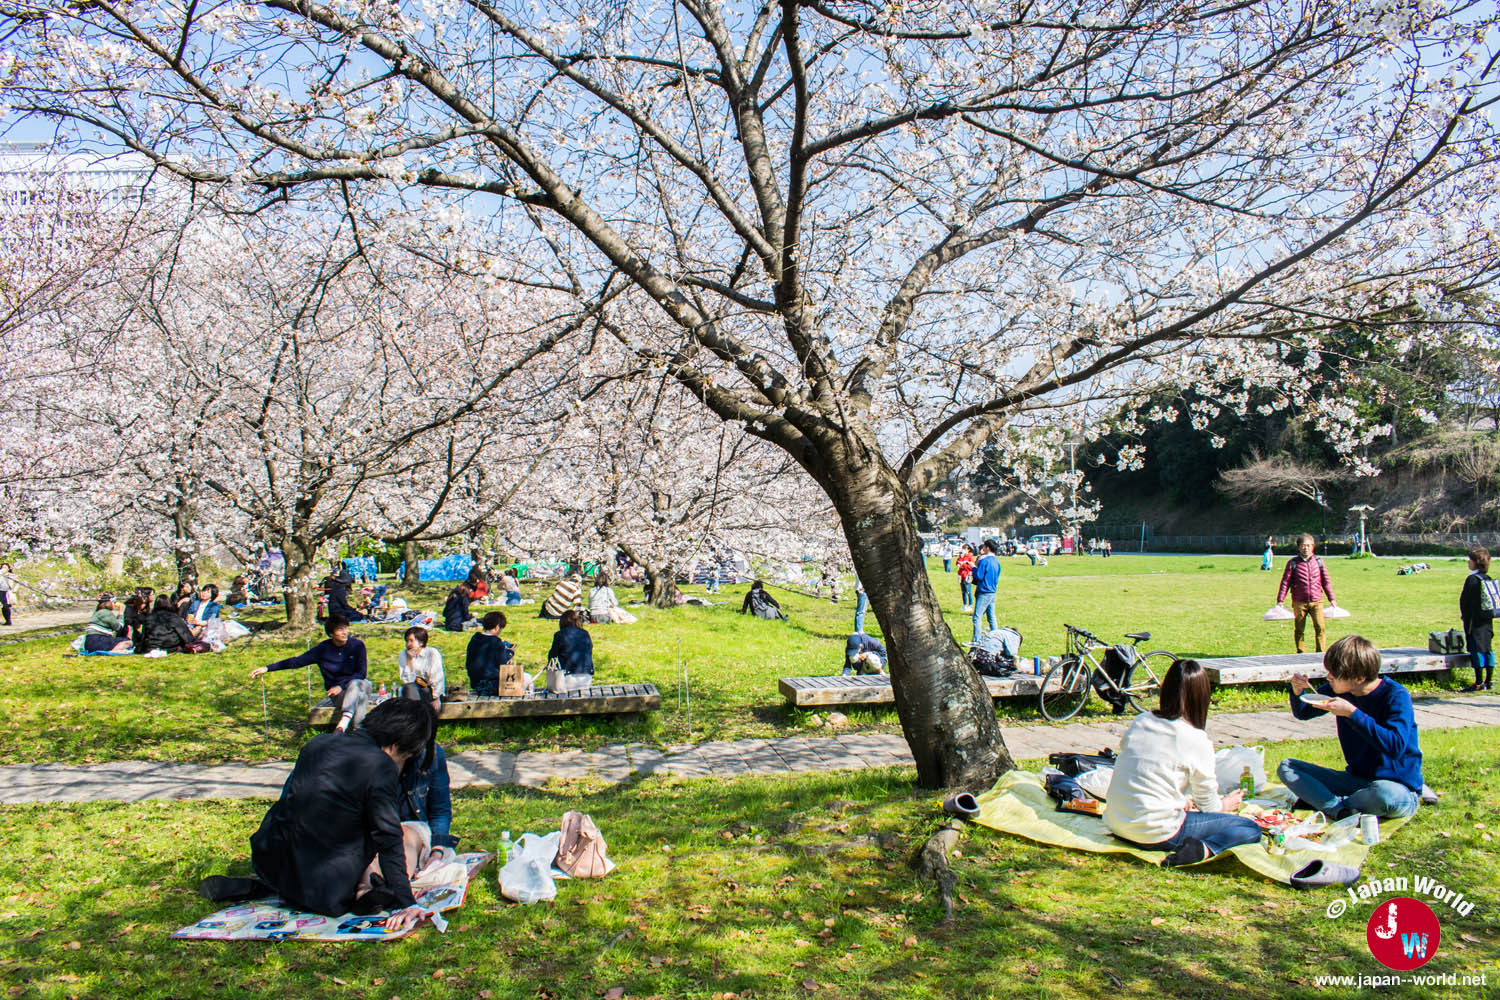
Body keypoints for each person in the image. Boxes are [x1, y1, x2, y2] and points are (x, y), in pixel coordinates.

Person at [208, 698, 435, 927]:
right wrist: (408, 901)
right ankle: (364, 891)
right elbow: (388, 837)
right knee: (403, 833)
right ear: (395, 747)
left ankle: (272, 888)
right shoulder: (381, 766)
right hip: (329, 887)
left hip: (272, 863)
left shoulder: (318, 743)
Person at [1105, 659, 1259, 867]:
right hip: (1156, 832)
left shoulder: (1141, 721)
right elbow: (1208, 805)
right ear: (1202, 697)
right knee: (1248, 828)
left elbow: (1146, 768)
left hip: (1118, 823)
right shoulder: (1195, 739)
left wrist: (1179, 798)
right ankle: (1204, 849)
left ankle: (1194, 844)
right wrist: (1226, 804)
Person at [1279, 634, 1423, 820]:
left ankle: (1327, 802)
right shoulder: (1341, 689)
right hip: (1356, 781)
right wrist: (1298, 691)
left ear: (1359, 677)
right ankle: (1340, 810)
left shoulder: (1395, 696)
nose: (1328, 677)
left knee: (1383, 795)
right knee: (1288, 767)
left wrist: (1352, 714)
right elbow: (1304, 712)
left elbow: (1394, 747)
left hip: (1397, 787)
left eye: (1334, 674)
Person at [251, 614, 372, 733]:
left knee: (355, 684)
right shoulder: (322, 649)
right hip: (341, 695)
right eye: (340, 630)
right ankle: (359, 732)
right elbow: (297, 661)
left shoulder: (357, 645)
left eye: (346, 628)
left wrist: (340, 686)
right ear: (331, 634)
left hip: (360, 684)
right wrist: (267, 668)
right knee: (361, 697)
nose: (345, 632)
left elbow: (362, 672)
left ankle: (344, 722)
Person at [1276, 533, 1338, 653]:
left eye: (1308, 545)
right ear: (1298, 547)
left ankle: (1320, 653)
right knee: (1299, 629)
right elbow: (1285, 582)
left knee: (1320, 628)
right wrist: (1280, 601)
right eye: (1303, 545)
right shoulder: (1292, 563)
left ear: (1313, 546)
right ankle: (1300, 653)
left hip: (1317, 601)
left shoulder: (1319, 562)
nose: (1306, 548)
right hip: (1299, 602)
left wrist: (1332, 599)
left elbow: (1326, 582)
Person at [1460, 547, 1495, 692]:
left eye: (1470, 560)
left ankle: (1479, 682)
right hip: (1487, 620)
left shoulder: (1472, 579)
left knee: (1476, 649)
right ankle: (1489, 680)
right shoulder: (1487, 578)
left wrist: (1465, 616)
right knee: (1488, 649)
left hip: (1474, 621)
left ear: (1476, 562)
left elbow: (1465, 601)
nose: (1468, 562)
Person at [465, 611, 516, 696]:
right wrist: (510, 652)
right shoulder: (496, 642)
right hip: (491, 685)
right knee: (526, 678)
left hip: (475, 683)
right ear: (497, 627)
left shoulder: (475, 639)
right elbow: (503, 662)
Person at [397, 625, 445, 706]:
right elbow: (407, 681)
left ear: (421, 643)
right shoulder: (403, 655)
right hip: (412, 690)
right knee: (409, 688)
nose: (408, 644)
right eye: (407, 641)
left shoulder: (432, 653)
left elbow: (437, 678)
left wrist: (436, 697)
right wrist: (410, 660)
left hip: (429, 690)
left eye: (411, 641)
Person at [139, 594, 203, 653]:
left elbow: (144, 635)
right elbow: (186, 635)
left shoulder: (149, 617)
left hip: (152, 646)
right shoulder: (173, 617)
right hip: (170, 646)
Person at [547, 609, 594, 687]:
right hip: (587, 675)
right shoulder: (585, 634)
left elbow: (552, 656)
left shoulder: (559, 635)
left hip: (568, 675)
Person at [970, 540, 1001, 644]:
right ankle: (996, 638)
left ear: (987, 548)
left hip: (984, 591)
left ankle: (976, 640)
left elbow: (979, 575)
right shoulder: (997, 562)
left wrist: (973, 568)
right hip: (993, 591)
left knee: (977, 617)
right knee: (991, 616)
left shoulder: (984, 561)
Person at [955, 544, 976, 611]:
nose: (963, 550)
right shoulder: (961, 556)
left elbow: (971, 566)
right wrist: (959, 562)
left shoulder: (969, 557)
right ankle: (965, 604)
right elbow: (957, 562)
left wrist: (963, 564)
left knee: (968, 591)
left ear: (968, 550)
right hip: (961, 575)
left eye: (965, 549)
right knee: (963, 591)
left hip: (967, 575)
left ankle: (970, 604)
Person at [0, 562, 14, 626]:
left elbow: (11, 585)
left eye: (5, 567)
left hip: (5, 592)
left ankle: (8, 621)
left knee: (5, 606)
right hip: (0, 590)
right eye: (2, 567)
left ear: (8, 569)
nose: (3, 569)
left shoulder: (10, 575)